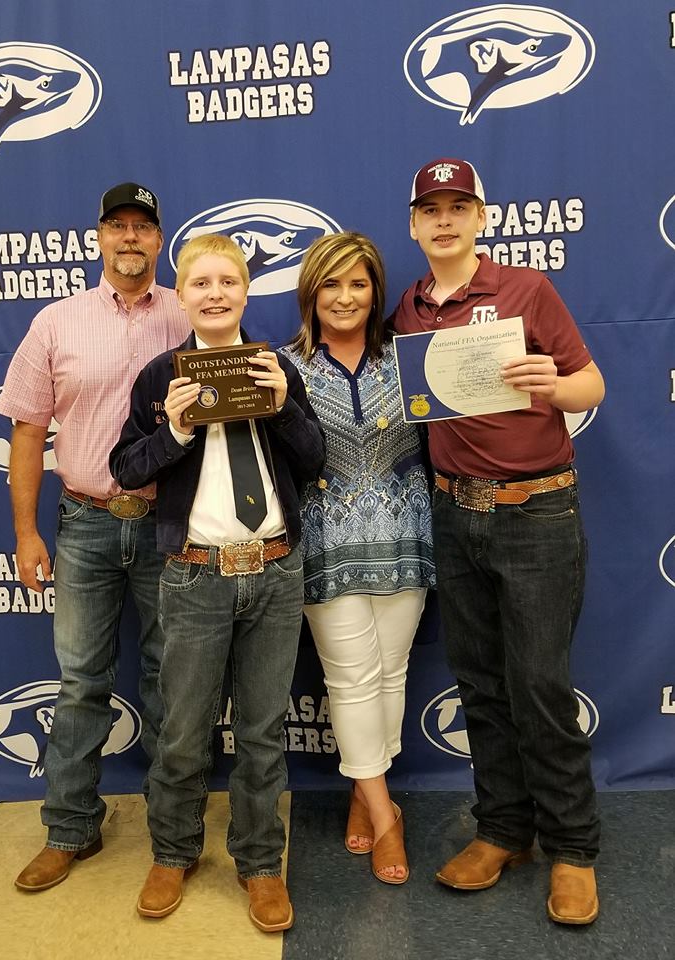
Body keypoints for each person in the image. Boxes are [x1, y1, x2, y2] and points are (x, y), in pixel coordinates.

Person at [393, 157, 604, 924]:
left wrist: (555, 384)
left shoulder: (526, 289)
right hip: (455, 513)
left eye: (459, 206)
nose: (444, 219)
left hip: (536, 513)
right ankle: (504, 830)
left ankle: (573, 847)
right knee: (479, 682)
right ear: (414, 224)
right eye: (431, 209)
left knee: (540, 684)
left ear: (481, 217)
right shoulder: (409, 310)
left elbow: (591, 385)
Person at [109, 233, 324, 932]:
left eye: (227, 281)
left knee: (263, 731)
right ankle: (173, 852)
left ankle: (261, 864)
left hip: (274, 567)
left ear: (245, 288)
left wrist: (285, 402)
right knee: (183, 731)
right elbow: (124, 466)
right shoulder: (159, 375)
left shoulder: (274, 365)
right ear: (183, 293)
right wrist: (171, 430)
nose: (215, 293)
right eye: (199, 283)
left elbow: (315, 458)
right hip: (196, 574)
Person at [0, 182, 189, 892]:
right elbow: (25, 430)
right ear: (99, 237)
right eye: (119, 226)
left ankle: (176, 836)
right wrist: (25, 533)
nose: (131, 237)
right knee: (81, 683)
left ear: (160, 240)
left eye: (144, 226)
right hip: (83, 523)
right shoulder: (56, 321)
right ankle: (71, 828)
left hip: (171, 524)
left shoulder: (188, 310)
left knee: (174, 682)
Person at [281, 232, 435, 885]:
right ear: (310, 292)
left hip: (405, 533)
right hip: (326, 543)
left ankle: (362, 793)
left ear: (375, 292)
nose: (345, 297)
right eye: (331, 284)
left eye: (358, 283)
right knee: (350, 679)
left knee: (392, 673)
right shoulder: (281, 366)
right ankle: (386, 815)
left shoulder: (411, 358)